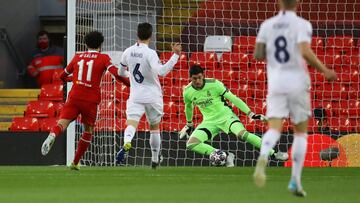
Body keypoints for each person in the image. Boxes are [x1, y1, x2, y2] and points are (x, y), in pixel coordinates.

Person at [252, 0, 337, 197]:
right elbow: (305, 51)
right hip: (298, 83)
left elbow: (257, 54)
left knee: (274, 128)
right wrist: (325, 70)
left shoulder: (267, 25)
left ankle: (264, 154)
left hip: (276, 83)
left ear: (277, 2)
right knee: (300, 133)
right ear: (297, 2)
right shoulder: (302, 24)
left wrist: (269, 51)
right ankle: (295, 181)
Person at [41, 31, 130, 170]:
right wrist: (130, 84)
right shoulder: (103, 58)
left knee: (62, 124)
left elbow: (62, 76)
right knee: (88, 130)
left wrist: (75, 80)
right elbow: (115, 73)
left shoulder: (78, 57)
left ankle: (52, 134)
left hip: (74, 96)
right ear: (100, 44)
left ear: (85, 44)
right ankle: (75, 163)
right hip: (90, 100)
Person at [179, 65, 289, 167]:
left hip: (227, 117)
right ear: (190, 78)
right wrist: (189, 123)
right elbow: (188, 107)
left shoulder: (214, 84)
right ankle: (225, 156)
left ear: (203, 75)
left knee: (242, 134)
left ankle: (274, 153)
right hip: (209, 122)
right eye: (194, 78)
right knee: (191, 144)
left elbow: (233, 98)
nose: (197, 81)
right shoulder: (187, 92)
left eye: (199, 77)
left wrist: (251, 114)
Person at [115, 22, 182, 169]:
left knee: (131, 123)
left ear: (137, 34)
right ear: (151, 36)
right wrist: (175, 56)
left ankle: (127, 141)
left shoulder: (127, 51)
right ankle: (154, 159)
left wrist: (130, 75)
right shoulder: (150, 53)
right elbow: (162, 71)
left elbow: (120, 73)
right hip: (153, 96)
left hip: (135, 96)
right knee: (154, 128)